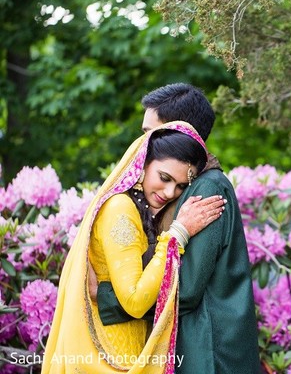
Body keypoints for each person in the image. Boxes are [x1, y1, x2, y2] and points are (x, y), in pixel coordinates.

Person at [96, 84, 261, 373]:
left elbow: (185, 290)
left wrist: (105, 297)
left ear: (178, 133)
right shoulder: (182, 188)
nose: (141, 143)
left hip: (209, 354)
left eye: (150, 134)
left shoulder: (207, 188)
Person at [42, 121, 226, 374]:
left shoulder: (139, 210)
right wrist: (179, 233)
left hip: (124, 351)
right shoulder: (121, 208)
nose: (170, 191)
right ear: (142, 163)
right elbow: (135, 301)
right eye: (164, 178)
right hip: (107, 359)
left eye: (181, 186)